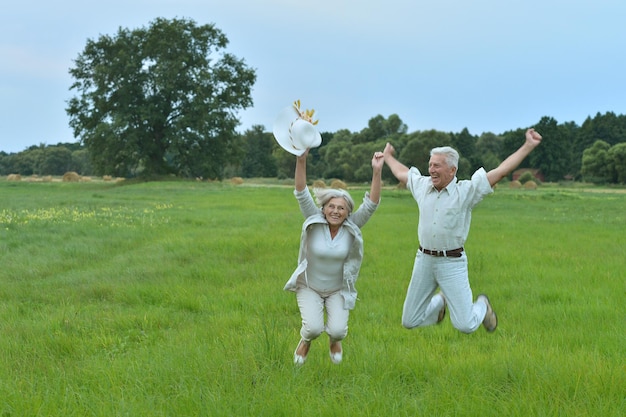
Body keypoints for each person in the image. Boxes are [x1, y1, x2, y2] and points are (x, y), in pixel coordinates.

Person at [383, 128, 543, 334]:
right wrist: (387, 156)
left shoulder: (466, 191)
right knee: (409, 320)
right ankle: (440, 304)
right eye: (430, 164)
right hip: (423, 260)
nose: (431, 169)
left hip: (452, 263)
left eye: (437, 165)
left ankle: (483, 306)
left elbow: (501, 171)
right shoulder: (422, 186)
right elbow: (401, 172)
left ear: (452, 170)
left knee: (465, 325)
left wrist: (528, 146)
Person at [285, 148, 384, 365]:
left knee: (338, 331)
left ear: (348, 212)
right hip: (309, 286)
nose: (336, 211)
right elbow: (301, 191)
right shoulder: (314, 219)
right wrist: (301, 159)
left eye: (341, 208)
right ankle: (305, 341)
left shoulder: (352, 227)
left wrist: (376, 172)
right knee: (313, 328)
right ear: (324, 208)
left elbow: (372, 204)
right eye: (331, 206)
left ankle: (334, 341)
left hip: (338, 289)